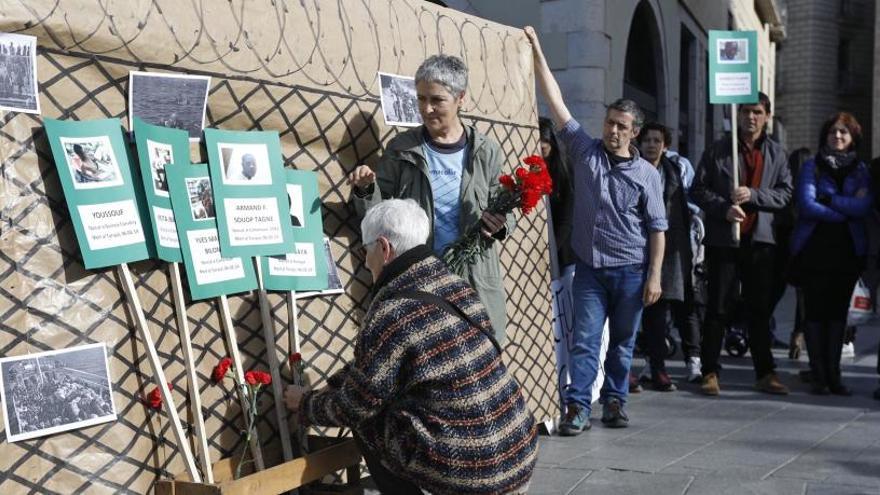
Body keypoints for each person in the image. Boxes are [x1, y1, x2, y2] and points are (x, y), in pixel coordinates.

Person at [284, 199, 537, 495]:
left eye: (366, 250)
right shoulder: (455, 285)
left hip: (474, 474)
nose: (365, 261)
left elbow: (356, 405)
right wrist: (334, 385)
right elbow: (375, 368)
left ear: (384, 248)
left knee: (371, 419)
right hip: (517, 454)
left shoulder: (392, 313)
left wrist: (305, 404)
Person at [525, 26, 667, 435]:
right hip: (589, 270)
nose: (613, 131)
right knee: (585, 341)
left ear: (634, 131)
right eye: (609, 123)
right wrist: (538, 51)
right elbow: (557, 102)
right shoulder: (586, 153)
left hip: (630, 272)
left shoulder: (646, 175)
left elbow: (658, 228)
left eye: (622, 126)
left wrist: (654, 274)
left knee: (623, 344)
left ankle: (615, 402)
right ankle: (577, 408)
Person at [348, 54, 514, 344]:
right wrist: (365, 189)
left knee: (476, 352)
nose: (426, 109)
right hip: (418, 277)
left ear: (460, 98)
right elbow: (378, 215)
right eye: (421, 98)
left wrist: (499, 224)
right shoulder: (401, 149)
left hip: (472, 277)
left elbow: (503, 205)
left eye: (437, 100)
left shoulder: (485, 151)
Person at [691, 92, 793, 396]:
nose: (751, 117)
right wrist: (724, 208)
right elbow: (698, 189)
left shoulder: (777, 154)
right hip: (726, 240)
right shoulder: (718, 150)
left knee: (759, 309)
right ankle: (710, 370)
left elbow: (786, 193)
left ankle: (765, 373)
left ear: (767, 116)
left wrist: (754, 195)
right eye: (747, 111)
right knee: (718, 307)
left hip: (760, 241)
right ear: (738, 115)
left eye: (758, 112)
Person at [791, 113, 872, 395]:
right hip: (814, 250)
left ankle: (834, 375)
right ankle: (819, 375)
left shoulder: (861, 170)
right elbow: (807, 204)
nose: (837, 137)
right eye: (832, 133)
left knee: (838, 315)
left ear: (852, 138)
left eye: (843, 133)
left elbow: (864, 208)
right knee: (815, 314)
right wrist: (844, 210)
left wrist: (830, 200)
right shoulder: (812, 166)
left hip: (848, 252)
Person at [637, 122, 703, 389]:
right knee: (649, 312)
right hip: (637, 248)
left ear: (665, 146)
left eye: (657, 140)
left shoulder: (676, 170)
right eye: (648, 140)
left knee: (674, 307)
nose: (652, 145)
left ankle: (676, 363)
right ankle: (652, 366)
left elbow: (687, 211)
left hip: (672, 249)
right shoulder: (633, 168)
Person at [783, 148, 812, 360]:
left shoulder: (786, 188)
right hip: (805, 253)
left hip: (783, 250)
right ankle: (798, 335)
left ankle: (795, 337)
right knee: (805, 299)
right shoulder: (810, 189)